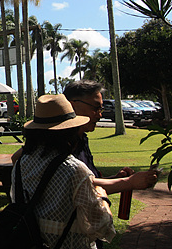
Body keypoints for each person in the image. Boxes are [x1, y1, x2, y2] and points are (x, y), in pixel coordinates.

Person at [13, 94, 115, 249]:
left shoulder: (20, 165)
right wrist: (102, 197)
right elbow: (100, 226)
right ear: (69, 132)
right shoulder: (75, 170)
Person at [63, 80, 158, 194]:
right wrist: (128, 182)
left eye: (101, 109)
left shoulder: (81, 139)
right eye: (95, 108)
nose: (100, 115)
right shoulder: (58, 144)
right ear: (73, 105)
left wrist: (116, 178)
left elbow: (92, 182)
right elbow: (82, 187)